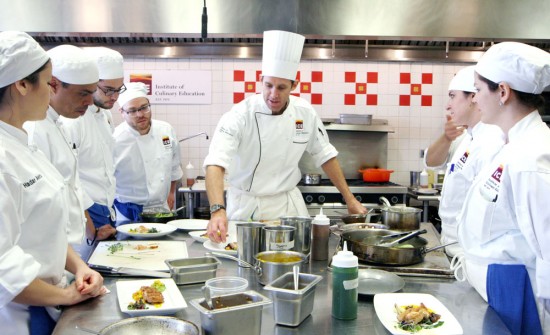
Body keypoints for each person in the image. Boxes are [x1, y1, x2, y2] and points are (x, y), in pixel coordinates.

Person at [204, 30, 366, 243]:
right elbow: (215, 163)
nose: (274, 94)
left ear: (294, 85)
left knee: (296, 263)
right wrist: (217, 209)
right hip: (247, 206)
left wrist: (350, 199)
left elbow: (325, 156)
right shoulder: (240, 115)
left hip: (288, 207)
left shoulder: (304, 113)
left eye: (281, 87)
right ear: (261, 81)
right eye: (269, 85)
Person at [0, 31, 105, 335]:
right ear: (21, 84)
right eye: (47, 83)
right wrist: (66, 295)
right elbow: (3, 266)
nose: (50, 91)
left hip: (45, 301)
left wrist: (79, 267)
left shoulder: (23, 145)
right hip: (18, 315)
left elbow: (45, 230)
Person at [456, 42, 550, 334]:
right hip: (498, 290)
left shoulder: (530, 157)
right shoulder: (510, 145)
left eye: (478, 90)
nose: (475, 101)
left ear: (503, 92)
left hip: (520, 297)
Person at [423, 66, 504, 257]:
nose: (448, 105)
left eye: (452, 96)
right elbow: (430, 162)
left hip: (469, 251)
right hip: (452, 245)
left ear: (473, 97)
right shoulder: (467, 136)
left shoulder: (493, 141)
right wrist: (446, 137)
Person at [23, 44, 99, 246]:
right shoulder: (35, 129)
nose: (90, 102)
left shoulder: (58, 123)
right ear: (53, 85)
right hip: (53, 251)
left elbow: (70, 185)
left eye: (93, 92)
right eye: (83, 93)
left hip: (69, 248)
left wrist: (91, 231)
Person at [64, 47, 123, 242]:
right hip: (86, 210)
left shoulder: (106, 115)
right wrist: (88, 223)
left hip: (106, 208)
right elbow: (68, 179)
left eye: (118, 89)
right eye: (108, 90)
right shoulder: (74, 119)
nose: (114, 97)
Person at [113, 82, 183, 224]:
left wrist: (171, 192)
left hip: (161, 210)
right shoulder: (115, 139)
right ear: (121, 112)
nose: (140, 114)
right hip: (128, 213)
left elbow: (174, 166)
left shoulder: (165, 131)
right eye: (132, 111)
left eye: (144, 108)